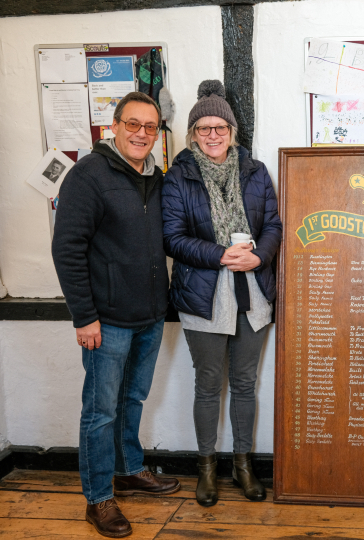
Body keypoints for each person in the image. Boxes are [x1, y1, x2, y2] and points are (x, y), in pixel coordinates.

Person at [52, 91, 180, 538]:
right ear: (115, 126)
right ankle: (98, 498)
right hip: (105, 320)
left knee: (133, 399)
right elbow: (66, 249)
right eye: (133, 124)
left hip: (149, 314)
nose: (141, 133)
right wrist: (83, 316)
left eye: (150, 127)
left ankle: (129, 470)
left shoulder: (154, 176)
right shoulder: (88, 175)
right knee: (100, 411)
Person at [162, 80, 282, 507]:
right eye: (204, 128)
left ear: (232, 131)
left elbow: (273, 227)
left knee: (246, 383)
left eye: (220, 127)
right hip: (203, 295)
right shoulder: (178, 177)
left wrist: (260, 257)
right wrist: (220, 255)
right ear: (193, 133)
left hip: (253, 294)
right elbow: (172, 238)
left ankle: (243, 465)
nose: (213, 135)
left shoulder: (256, 171)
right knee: (209, 384)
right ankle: (207, 467)